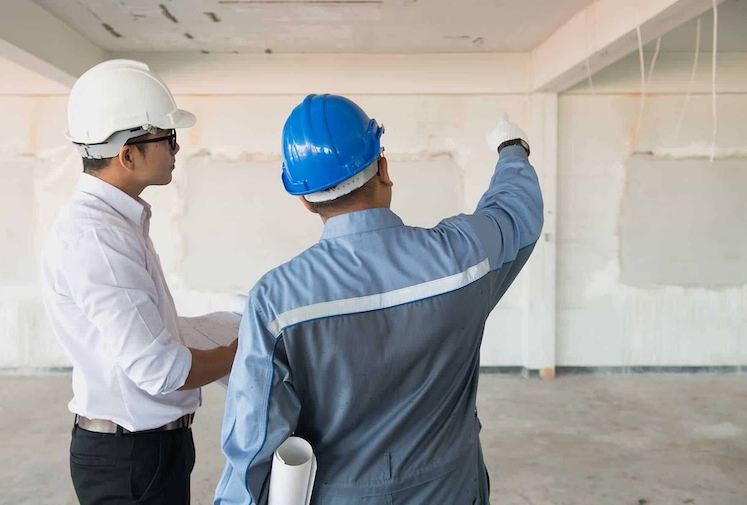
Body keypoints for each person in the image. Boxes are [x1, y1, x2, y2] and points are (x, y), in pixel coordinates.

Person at [214, 94, 544, 505]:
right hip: (451, 490)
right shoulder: (463, 256)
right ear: (384, 169)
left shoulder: (276, 301)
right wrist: (512, 149)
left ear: (303, 198)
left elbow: (253, 445)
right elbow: (515, 211)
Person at [41, 59, 237, 505]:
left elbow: (141, 337)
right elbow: (160, 370)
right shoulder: (100, 239)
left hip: (144, 450)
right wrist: (241, 352)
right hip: (133, 459)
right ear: (127, 154)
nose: (176, 150)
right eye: (167, 138)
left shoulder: (114, 224)